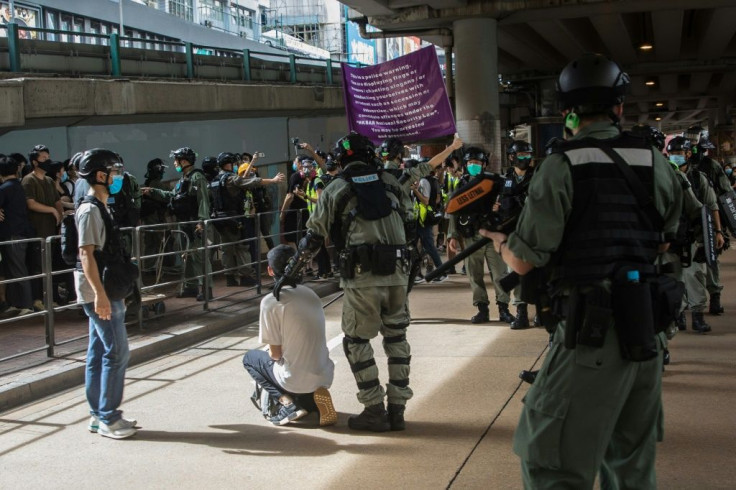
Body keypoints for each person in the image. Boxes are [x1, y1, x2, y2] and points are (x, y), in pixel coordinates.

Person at [481, 53, 682, 488]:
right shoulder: (655, 162)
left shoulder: (562, 164)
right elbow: (666, 240)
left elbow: (526, 258)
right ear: (620, 108)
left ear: (568, 112)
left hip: (592, 334)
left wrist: (500, 242)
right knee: (629, 464)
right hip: (646, 331)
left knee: (550, 462)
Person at [274, 132, 414, 432]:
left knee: (357, 341)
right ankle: (398, 411)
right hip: (398, 273)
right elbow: (411, 223)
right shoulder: (391, 182)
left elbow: (313, 237)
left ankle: (374, 409)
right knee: (397, 338)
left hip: (363, 276)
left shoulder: (337, 188)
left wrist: (289, 272)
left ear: (340, 159)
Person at [75, 148, 138, 440]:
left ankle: (97, 414)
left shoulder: (102, 206)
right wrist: (100, 296)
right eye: (114, 172)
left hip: (104, 288)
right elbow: (86, 255)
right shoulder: (89, 210)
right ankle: (108, 418)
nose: (118, 177)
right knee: (117, 353)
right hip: (98, 291)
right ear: (100, 175)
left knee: (98, 352)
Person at [243, 244, 336, 426]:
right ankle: (312, 402)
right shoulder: (311, 294)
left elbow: (275, 355)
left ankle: (287, 403)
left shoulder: (271, 301)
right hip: (325, 374)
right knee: (298, 364)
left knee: (250, 358)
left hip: (294, 378)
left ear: (270, 270)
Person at [447, 148, 514, 324]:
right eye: (470, 163)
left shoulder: (494, 183)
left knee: (499, 273)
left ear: (484, 164)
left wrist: (499, 208)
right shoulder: (462, 185)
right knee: (474, 274)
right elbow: (454, 211)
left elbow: (508, 203)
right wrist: (452, 236)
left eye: (477, 163)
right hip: (471, 235)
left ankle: (504, 309)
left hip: (493, 235)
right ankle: (482, 309)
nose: (473, 166)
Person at [668, 136, 723, 333]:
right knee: (676, 277)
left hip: (694, 234)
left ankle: (697, 316)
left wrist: (717, 232)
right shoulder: (665, 176)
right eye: (672, 154)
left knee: (696, 274)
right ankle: (680, 315)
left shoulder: (699, 178)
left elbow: (712, 206)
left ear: (688, 154)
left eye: (679, 154)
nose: (675, 158)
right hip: (672, 236)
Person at [142, 147, 211, 301]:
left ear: (184, 161)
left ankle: (207, 288)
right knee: (187, 256)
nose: (175, 164)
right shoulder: (182, 180)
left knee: (199, 257)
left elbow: (203, 201)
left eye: (176, 160)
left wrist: (202, 221)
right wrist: (152, 191)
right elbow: (172, 196)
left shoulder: (197, 177)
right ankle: (191, 286)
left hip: (194, 222)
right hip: (183, 222)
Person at [211, 152, 284, 287]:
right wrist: (273, 180)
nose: (235, 166)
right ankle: (246, 276)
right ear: (229, 164)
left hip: (219, 219)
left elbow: (241, 180)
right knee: (242, 247)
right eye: (233, 164)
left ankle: (230, 277)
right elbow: (250, 181)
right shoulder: (231, 179)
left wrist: (252, 163)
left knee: (227, 249)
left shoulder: (216, 180)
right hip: (234, 218)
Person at [684, 126, 730, 315]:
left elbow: (725, 194)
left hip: (710, 220)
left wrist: (721, 228)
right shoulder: (682, 168)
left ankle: (714, 297)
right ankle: (694, 300)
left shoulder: (711, 166)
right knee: (692, 265)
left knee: (710, 261)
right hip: (691, 222)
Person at [497, 140, 536, 329]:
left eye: (528, 155)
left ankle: (542, 311)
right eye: (521, 155)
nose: (525, 158)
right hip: (512, 233)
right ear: (512, 157)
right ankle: (521, 312)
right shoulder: (504, 180)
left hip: (535, 231)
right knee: (516, 271)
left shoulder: (538, 177)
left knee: (537, 270)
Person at [22, 144, 63, 311]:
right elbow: (30, 203)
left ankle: (48, 297)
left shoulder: (48, 181)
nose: (47, 161)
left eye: (48, 158)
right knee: (38, 266)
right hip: (37, 230)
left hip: (51, 231)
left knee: (49, 266)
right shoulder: (28, 180)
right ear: (34, 162)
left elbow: (57, 200)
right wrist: (52, 210)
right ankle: (37, 298)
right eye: (43, 159)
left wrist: (59, 214)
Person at [0, 155, 34, 314]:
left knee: (17, 269)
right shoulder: (19, 186)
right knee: (14, 269)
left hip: (12, 234)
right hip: (21, 232)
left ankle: (26, 304)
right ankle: (16, 302)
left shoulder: (5, 188)